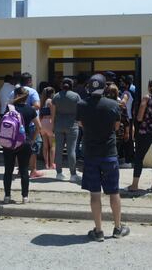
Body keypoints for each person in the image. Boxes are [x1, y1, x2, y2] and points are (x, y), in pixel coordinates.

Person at [76, 74, 129, 241]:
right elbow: (117, 126)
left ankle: (98, 230)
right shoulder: (114, 104)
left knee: (95, 194)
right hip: (109, 153)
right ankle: (117, 228)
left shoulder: (82, 104)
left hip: (91, 154)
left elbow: (81, 124)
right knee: (114, 192)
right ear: (105, 87)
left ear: (89, 87)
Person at [2, 87, 42, 204]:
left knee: (8, 170)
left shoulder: (9, 108)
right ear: (27, 97)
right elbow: (39, 127)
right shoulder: (30, 109)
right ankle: (25, 197)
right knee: (24, 170)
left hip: (9, 142)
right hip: (25, 142)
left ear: (15, 95)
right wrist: (32, 140)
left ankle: (7, 196)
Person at [9, 72, 43, 178]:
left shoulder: (13, 92)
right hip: (31, 123)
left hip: (16, 124)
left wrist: (18, 111)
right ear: (29, 81)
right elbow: (37, 105)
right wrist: (26, 111)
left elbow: (9, 105)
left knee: (18, 146)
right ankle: (33, 170)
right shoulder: (32, 91)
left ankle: (20, 170)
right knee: (33, 146)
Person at [52, 78, 82, 182]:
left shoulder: (56, 96)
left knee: (58, 149)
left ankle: (59, 173)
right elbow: (79, 111)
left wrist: (53, 125)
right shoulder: (76, 96)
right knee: (71, 150)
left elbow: (53, 113)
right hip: (72, 125)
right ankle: (73, 174)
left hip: (59, 125)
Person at [104, 84, 130, 169]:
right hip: (119, 131)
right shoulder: (121, 105)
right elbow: (126, 121)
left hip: (107, 130)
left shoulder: (104, 104)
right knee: (117, 148)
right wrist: (127, 133)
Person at [40, 86, 56, 169]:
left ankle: (46, 164)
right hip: (49, 123)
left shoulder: (42, 102)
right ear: (52, 93)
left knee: (45, 145)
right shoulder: (51, 101)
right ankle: (52, 164)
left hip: (42, 122)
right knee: (53, 145)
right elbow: (53, 115)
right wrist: (53, 125)